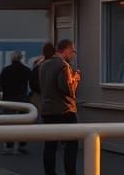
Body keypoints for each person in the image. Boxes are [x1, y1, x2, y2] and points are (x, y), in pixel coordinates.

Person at [40, 39, 81, 175]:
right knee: (71, 144)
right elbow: (68, 89)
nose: (73, 55)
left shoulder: (44, 65)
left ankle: (49, 172)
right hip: (64, 110)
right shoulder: (64, 66)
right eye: (72, 51)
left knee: (50, 145)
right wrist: (76, 78)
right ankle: (70, 172)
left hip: (47, 109)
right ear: (67, 51)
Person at [0, 51, 31, 155]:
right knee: (23, 123)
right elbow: (32, 84)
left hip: (8, 100)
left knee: (9, 123)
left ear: (11, 59)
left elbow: (0, 86)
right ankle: (21, 145)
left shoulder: (6, 70)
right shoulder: (26, 70)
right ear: (20, 58)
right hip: (22, 100)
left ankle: (9, 145)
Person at [28, 42, 55, 112]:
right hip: (52, 99)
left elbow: (32, 83)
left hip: (39, 97)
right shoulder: (57, 65)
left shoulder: (38, 66)